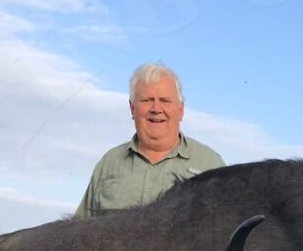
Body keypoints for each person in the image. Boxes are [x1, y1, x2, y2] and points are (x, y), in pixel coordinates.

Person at [74, 63, 225, 218]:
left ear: (181, 110)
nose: (156, 109)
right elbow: (78, 232)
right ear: (132, 108)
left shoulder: (211, 164)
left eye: (165, 100)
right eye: (147, 100)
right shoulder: (108, 164)